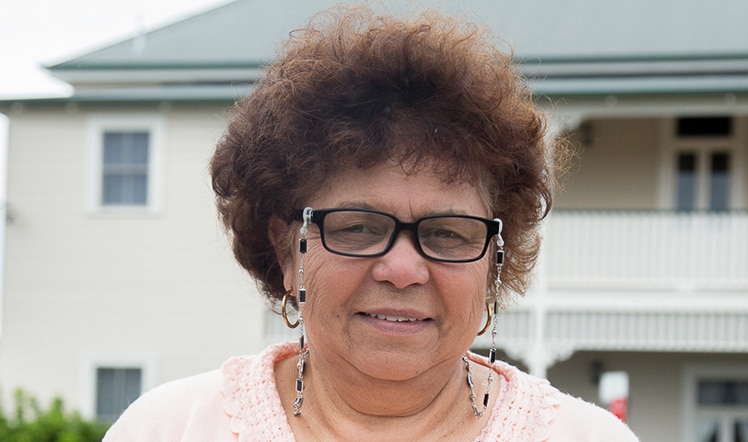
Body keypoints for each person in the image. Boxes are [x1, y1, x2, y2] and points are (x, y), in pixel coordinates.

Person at [105, 4, 639, 441]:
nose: (403, 269)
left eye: (447, 233)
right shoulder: (168, 429)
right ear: (288, 252)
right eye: (357, 227)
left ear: (494, 266)